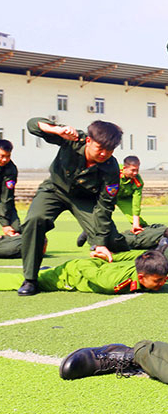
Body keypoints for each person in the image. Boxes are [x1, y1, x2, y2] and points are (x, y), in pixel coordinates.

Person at [18, 118, 123, 296]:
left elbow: (105, 206)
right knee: (34, 221)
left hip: (85, 200)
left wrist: (99, 242)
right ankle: (30, 279)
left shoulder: (111, 168)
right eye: (100, 148)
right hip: (55, 190)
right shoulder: (73, 139)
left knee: (110, 238)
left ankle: (89, 229)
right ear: (89, 141)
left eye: (110, 150)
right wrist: (56, 130)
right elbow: (32, 125)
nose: (104, 154)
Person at [1, 250, 168, 293]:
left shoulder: (146, 266)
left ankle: (47, 270)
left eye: (163, 280)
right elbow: (83, 266)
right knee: (30, 281)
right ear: (141, 276)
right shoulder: (112, 283)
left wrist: (113, 257)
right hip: (72, 274)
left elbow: (140, 254)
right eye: (158, 281)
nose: (162, 284)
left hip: (99, 266)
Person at [117, 156, 147, 232]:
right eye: (133, 170)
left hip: (124, 199)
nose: (135, 173)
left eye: (137, 170)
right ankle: (86, 235)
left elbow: (136, 203)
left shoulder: (138, 182)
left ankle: (147, 233)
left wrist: (136, 224)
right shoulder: (114, 171)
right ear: (124, 168)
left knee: (138, 222)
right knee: (101, 218)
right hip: (108, 195)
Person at [0, 139, 20, 236]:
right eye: (2, 156)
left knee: (16, 229)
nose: (4, 160)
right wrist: (5, 224)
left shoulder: (11, 169)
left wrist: (6, 224)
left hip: (4, 200)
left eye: (8, 156)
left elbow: (6, 197)